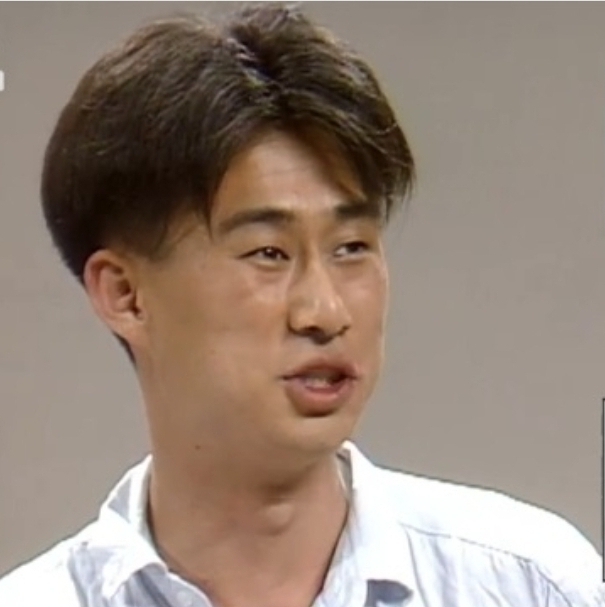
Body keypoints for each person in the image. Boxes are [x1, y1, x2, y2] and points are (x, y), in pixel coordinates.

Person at [0, 4, 602, 607]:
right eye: (268, 253)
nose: (326, 311)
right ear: (125, 295)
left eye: (351, 247)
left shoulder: (529, 585)